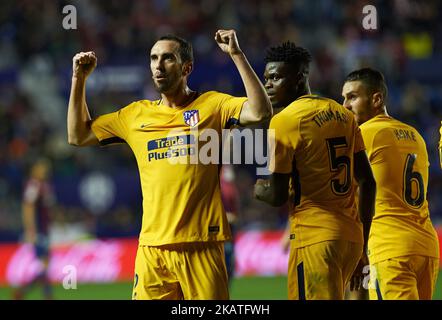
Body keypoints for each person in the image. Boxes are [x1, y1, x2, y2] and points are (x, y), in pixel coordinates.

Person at [67, 30, 272, 300]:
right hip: (153, 250)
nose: (158, 65)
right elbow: (77, 135)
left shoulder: (212, 105)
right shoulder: (135, 115)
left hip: (202, 247)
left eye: (167, 58)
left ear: (187, 67)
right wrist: (79, 79)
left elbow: (260, 111)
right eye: (153, 58)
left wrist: (236, 54)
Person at [254, 41, 376, 300]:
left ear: (299, 78)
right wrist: (363, 243)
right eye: (266, 78)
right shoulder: (342, 114)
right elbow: (367, 181)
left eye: (275, 77)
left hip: (314, 238)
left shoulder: (284, 121)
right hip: (350, 240)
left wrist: (260, 189)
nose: (267, 85)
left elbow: (275, 195)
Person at [342, 67, 440, 300]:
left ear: (376, 99)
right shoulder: (414, 134)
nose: (345, 105)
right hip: (425, 245)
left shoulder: (362, 134)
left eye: (352, 97)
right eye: (344, 98)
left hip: (389, 247)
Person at [13, 158, 55, 300]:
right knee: (44, 263)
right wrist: (31, 230)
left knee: (45, 264)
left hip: (45, 229)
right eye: (42, 168)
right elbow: (27, 207)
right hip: (38, 230)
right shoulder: (33, 185)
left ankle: (22, 292)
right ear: (34, 169)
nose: (45, 171)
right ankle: (47, 295)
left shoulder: (44, 185)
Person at [220, 165, 240, 286]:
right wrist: (227, 216)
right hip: (219, 231)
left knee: (229, 265)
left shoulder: (229, 184)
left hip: (230, 230)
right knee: (224, 263)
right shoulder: (218, 183)